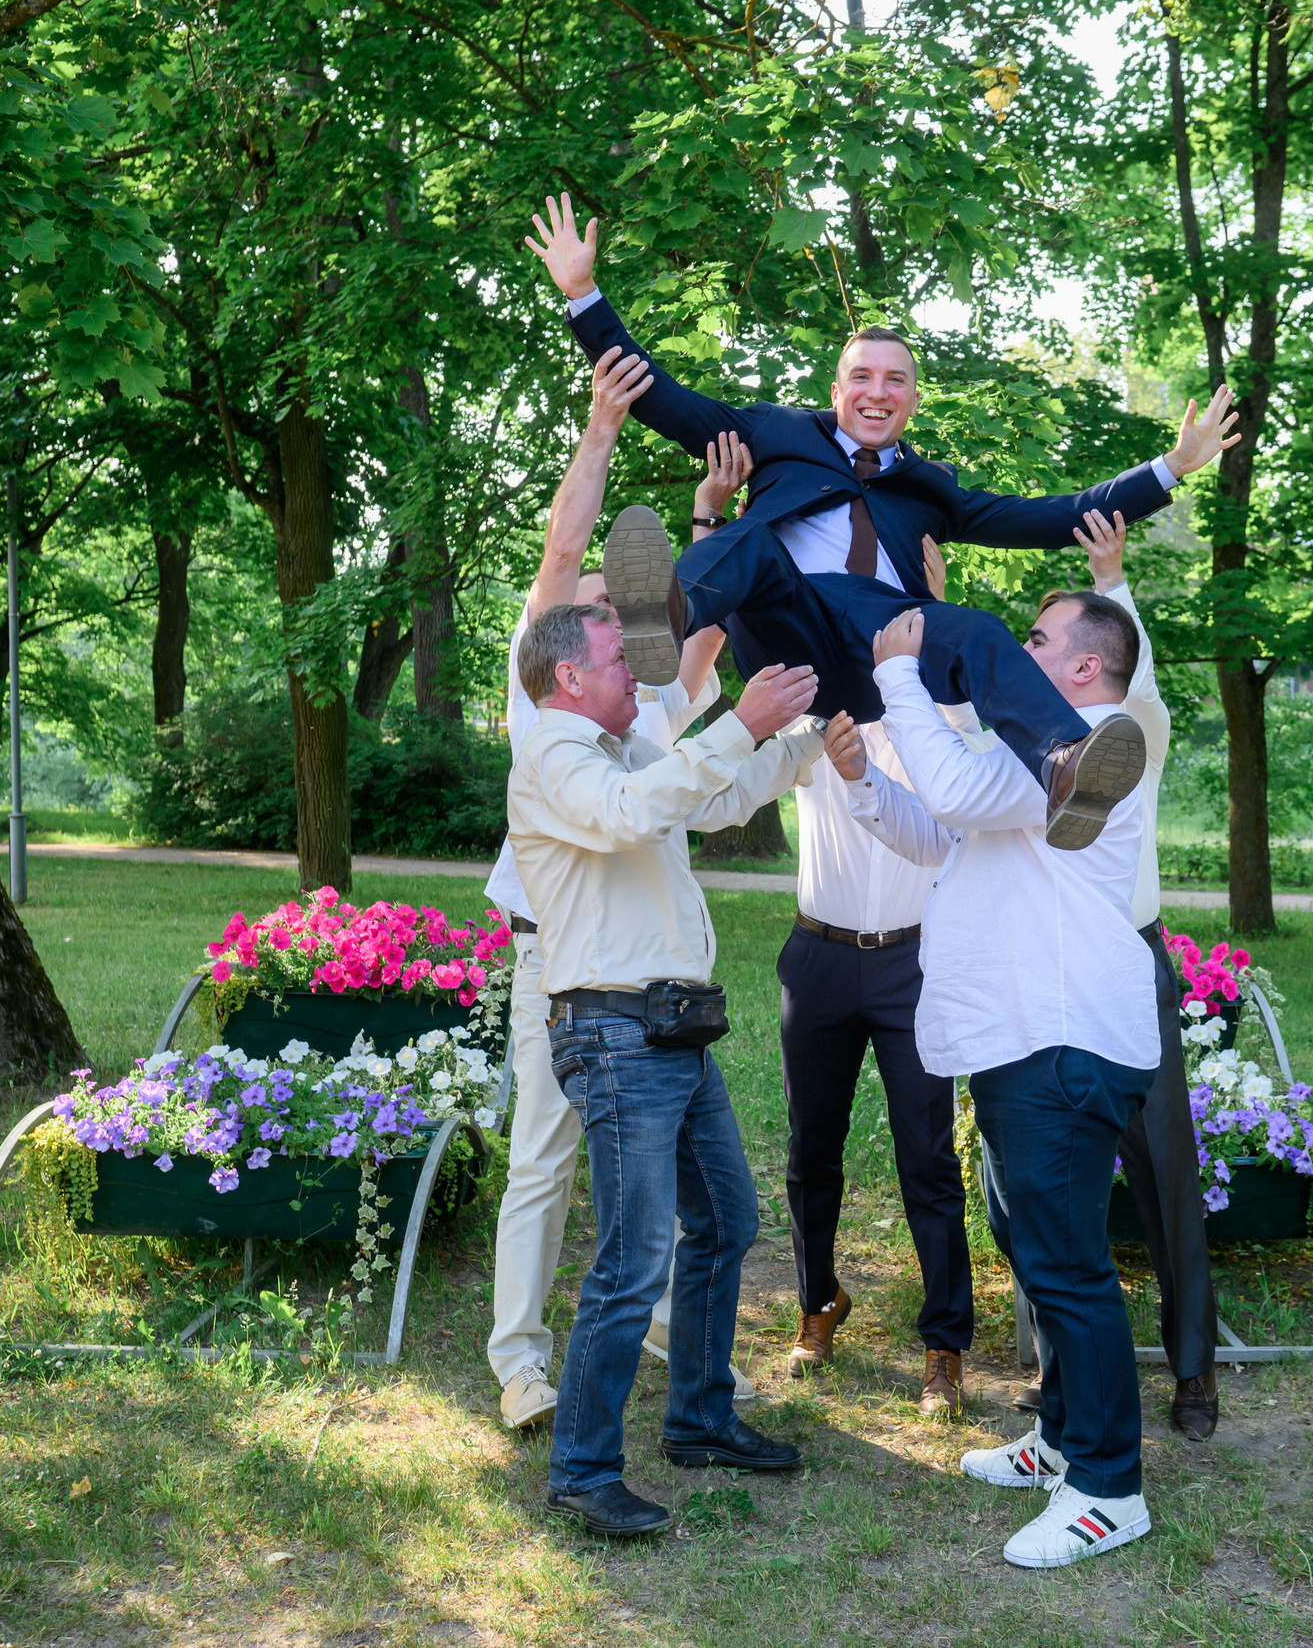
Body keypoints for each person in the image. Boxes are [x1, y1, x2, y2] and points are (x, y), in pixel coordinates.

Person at [522, 194, 1240, 841]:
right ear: (835, 390)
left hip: (877, 661)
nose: (877, 391)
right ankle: (662, 617)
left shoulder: (934, 489)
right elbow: (663, 396)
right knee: (753, 544)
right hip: (786, 633)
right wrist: (584, 295)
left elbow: (1057, 515)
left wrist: (1171, 468)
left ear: (913, 400)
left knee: (973, 626)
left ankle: (1063, 764)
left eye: (895, 380)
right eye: (861, 376)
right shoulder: (775, 434)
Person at [842, 594, 1160, 1569]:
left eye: (1035, 640)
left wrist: (898, 673)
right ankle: (1062, 1439)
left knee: (1067, 1267)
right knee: (1038, 1252)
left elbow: (961, 795)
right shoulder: (1041, 751)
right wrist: (861, 782)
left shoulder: (1090, 743)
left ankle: (1108, 1487)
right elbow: (948, 834)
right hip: (1023, 1036)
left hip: (1061, 1037)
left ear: (1079, 668)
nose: (1017, 654)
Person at [509, 602, 823, 1539]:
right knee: (633, 1257)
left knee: (726, 1219)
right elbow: (627, 818)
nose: (637, 678)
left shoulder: (621, 750)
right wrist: (738, 722)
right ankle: (581, 1470)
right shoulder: (556, 756)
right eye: (616, 660)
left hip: (671, 1027)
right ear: (569, 676)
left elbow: (713, 796)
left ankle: (696, 1417)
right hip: (611, 1033)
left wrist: (806, 736)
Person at [483, 348, 743, 1434]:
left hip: (653, 973)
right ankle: (520, 1361)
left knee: (671, 1169)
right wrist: (599, 428)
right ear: (562, 644)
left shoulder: (639, 707)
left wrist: (708, 515)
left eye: (622, 611)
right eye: (597, 605)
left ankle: (661, 1332)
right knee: (544, 1157)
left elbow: (704, 638)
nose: (612, 615)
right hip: (561, 957)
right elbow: (561, 547)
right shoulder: (541, 688)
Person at [780, 565, 975, 1413]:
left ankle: (945, 1344)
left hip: (913, 962)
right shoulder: (814, 714)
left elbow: (964, 787)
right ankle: (818, 1301)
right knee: (809, 1152)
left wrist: (935, 607)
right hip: (818, 955)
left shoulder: (940, 722)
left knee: (927, 1158)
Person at [1073, 510, 1222, 1439]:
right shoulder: (1031, 730)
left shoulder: (1140, 729)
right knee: (1053, 1181)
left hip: (1130, 956)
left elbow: (1144, 679)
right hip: (1051, 970)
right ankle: (1067, 1374)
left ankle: (1194, 1371)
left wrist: (1113, 576)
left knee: (1165, 1166)